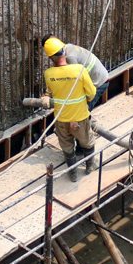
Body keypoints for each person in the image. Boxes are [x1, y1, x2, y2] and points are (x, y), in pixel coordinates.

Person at [41, 45, 98, 182]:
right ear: (64, 52)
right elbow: (92, 93)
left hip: (61, 118)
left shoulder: (48, 74)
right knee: (87, 142)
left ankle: (73, 173)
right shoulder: (79, 70)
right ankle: (90, 166)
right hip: (80, 118)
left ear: (50, 58)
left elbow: (51, 92)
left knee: (67, 146)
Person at [44, 37, 109, 104]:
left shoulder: (70, 59)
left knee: (84, 108)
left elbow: (74, 81)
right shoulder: (68, 47)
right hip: (98, 77)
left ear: (51, 57)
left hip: (98, 82)